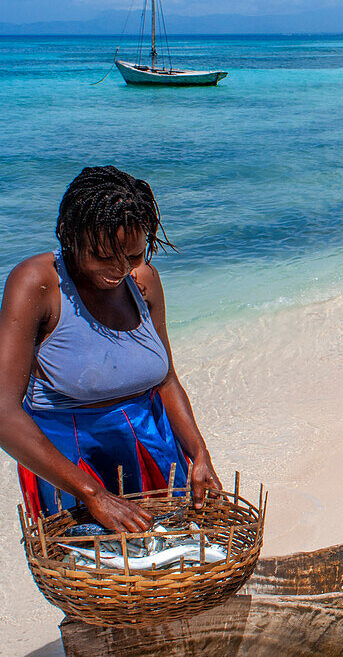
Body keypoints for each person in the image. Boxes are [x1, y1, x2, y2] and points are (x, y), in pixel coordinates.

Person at [0, 166, 220, 532]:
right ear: (71, 236)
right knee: (102, 579)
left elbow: (166, 379)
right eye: (104, 257)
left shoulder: (143, 279)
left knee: (168, 563)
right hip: (74, 463)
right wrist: (93, 494)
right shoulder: (37, 283)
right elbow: (4, 411)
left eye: (132, 256)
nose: (119, 271)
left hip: (154, 447)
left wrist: (199, 453)